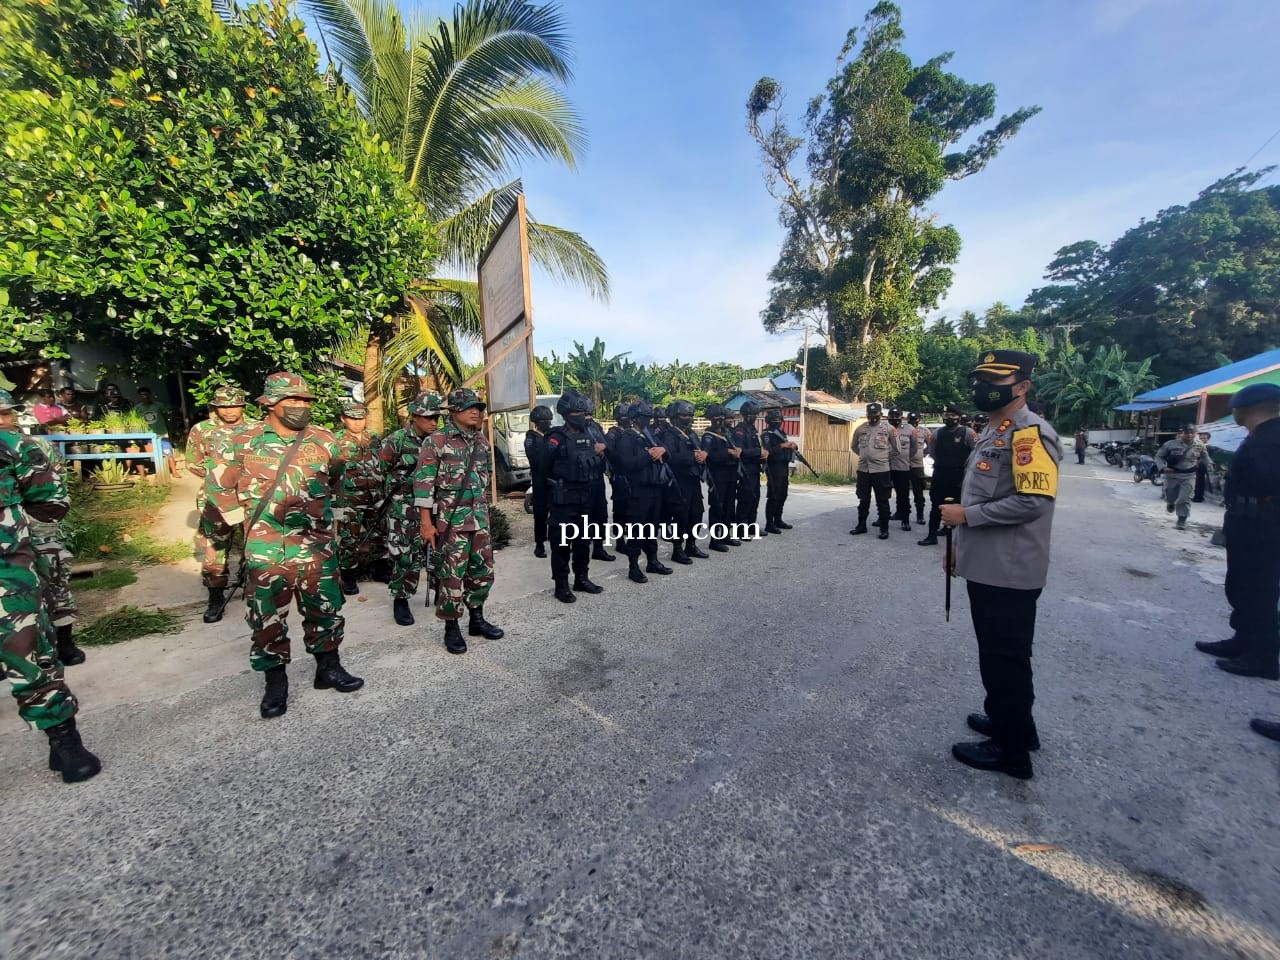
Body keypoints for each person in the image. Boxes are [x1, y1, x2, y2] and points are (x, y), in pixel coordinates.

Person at [208, 373, 362, 718]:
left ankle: (328, 668)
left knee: (325, 608)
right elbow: (218, 485)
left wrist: (332, 518)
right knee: (267, 619)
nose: (300, 406)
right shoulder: (242, 441)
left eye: (305, 401)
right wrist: (241, 522)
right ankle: (275, 684)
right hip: (266, 548)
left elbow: (337, 480)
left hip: (315, 545)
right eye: (292, 401)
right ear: (270, 404)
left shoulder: (324, 440)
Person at [943, 350, 1061, 780]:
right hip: (989, 562)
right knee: (999, 655)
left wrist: (965, 517)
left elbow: (1032, 501)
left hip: (1009, 569)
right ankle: (1015, 726)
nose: (982, 386)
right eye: (980, 378)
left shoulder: (1028, 434)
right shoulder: (996, 431)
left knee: (1005, 657)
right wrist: (958, 545)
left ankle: (1011, 753)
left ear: (1023, 386)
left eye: (995, 378)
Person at [0, 390, 101, 782]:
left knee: (26, 651)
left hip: (7, 574)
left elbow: (51, 504)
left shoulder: (16, 448)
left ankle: (63, 739)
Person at [1194, 382, 1280, 681]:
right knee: (1242, 585)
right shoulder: (1260, 436)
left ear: (1249, 408)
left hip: (1265, 526)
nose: (1234, 413)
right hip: (1248, 522)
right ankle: (1242, 641)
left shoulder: (1273, 439)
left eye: (1236, 408)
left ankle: (1263, 658)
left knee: (1260, 591)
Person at [415, 388, 504, 655]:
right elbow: (423, 485)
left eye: (478, 406)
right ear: (453, 411)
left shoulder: (482, 441)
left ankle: (477, 619)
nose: (476, 411)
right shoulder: (436, 441)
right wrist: (426, 523)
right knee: (451, 576)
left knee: (482, 571)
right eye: (468, 407)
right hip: (450, 523)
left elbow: (485, 477)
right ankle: (451, 628)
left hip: (479, 520)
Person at [185, 385, 252, 623]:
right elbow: (192, 463)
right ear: (216, 407)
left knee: (255, 547)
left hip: (250, 499)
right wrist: (218, 475)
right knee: (214, 550)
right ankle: (216, 597)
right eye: (224, 406)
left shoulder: (257, 430)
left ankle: (253, 592)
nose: (230, 410)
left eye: (234, 405)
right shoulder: (202, 430)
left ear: (243, 405)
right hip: (216, 500)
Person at [380, 392, 442, 626]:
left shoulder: (440, 440)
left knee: (438, 550)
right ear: (414, 416)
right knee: (405, 555)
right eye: (428, 417)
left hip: (434, 506)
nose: (433, 422)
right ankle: (401, 599)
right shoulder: (396, 440)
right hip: (403, 509)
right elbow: (380, 470)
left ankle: (439, 590)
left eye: (436, 417)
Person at [29, 436, 85, 667]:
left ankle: (63, 644)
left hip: (39, 528)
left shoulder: (35, 446)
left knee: (55, 583)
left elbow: (57, 487)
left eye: (6, 413)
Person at [544, 391, 605, 602]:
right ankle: (561, 585)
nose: (583, 416)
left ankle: (581, 578)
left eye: (585, 412)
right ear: (567, 414)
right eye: (578, 412)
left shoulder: (590, 436)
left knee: (582, 542)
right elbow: (543, 471)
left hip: (585, 499)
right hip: (562, 502)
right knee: (561, 545)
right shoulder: (555, 438)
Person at [615, 400, 673, 583]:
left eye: (647, 418)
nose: (645, 421)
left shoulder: (649, 435)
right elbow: (626, 464)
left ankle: (652, 561)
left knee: (652, 527)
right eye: (642, 418)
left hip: (655, 487)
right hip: (638, 490)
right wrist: (648, 455)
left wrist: (662, 449)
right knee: (637, 529)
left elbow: (667, 453)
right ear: (634, 419)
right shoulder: (627, 438)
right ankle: (633, 567)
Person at [334, 400, 384, 595]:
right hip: (349, 499)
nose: (357, 422)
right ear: (343, 419)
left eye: (361, 418)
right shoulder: (335, 440)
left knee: (380, 533)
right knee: (348, 538)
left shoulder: (373, 438)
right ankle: (348, 577)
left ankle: (380, 569)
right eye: (352, 418)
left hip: (375, 495)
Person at [918, 406, 973, 546]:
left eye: (952, 415)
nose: (949, 418)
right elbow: (932, 450)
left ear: (959, 417)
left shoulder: (967, 432)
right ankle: (932, 535)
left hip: (959, 475)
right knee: (936, 505)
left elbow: (974, 454)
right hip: (941, 473)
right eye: (947, 415)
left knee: (959, 506)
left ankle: (959, 540)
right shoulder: (937, 433)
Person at [663, 400, 709, 560]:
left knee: (696, 513)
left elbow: (700, 450)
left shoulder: (691, 433)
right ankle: (677, 549)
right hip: (678, 480)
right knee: (680, 515)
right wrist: (693, 456)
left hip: (693, 479)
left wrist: (704, 455)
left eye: (690, 415)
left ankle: (691, 545)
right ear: (675, 417)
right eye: (684, 415)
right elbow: (671, 456)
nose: (687, 418)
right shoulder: (669, 434)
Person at [850, 402, 895, 539]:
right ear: (867, 415)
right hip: (864, 470)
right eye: (870, 414)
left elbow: (896, 449)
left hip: (881, 470)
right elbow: (854, 447)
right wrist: (865, 456)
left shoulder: (889, 429)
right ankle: (861, 525)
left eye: (875, 414)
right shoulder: (860, 428)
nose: (873, 416)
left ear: (880, 414)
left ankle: (884, 529)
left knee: (882, 500)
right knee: (863, 500)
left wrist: (881, 458)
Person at [1156, 424, 1206, 531]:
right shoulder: (1170, 444)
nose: (1189, 435)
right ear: (1181, 433)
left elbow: (1205, 456)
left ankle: (1181, 520)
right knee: (1170, 496)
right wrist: (1162, 467)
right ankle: (1170, 503)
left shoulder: (1199, 445)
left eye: (1192, 432)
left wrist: (1210, 464)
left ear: (1196, 433)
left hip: (1189, 475)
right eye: (1186, 432)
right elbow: (1159, 456)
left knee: (1185, 498)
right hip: (1172, 474)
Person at [584, 409, 616, 563]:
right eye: (585, 415)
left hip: (597, 478)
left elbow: (607, 447)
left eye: (590, 415)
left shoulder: (595, 428)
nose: (588, 418)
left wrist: (604, 449)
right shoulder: (569, 433)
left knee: (600, 514)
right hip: (582, 481)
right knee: (583, 517)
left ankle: (598, 548)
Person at [731, 401, 766, 535]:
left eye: (755, 415)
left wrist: (761, 455)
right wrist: (758, 452)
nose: (754, 417)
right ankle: (741, 529)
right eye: (752, 415)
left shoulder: (752, 430)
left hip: (755, 469)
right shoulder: (740, 430)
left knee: (755, 498)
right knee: (745, 499)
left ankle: (752, 525)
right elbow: (740, 451)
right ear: (745, 415)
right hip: (745, 470)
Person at [524, 405, 554, 558]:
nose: (547, 423)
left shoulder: (551, 436)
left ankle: (556, 540)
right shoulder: (531, 438)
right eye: (544, 421)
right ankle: (540, 544)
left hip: (553, 481)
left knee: (556, 513)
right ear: (536, 422)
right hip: (539, 480)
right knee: (540, 513)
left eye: (549, 420)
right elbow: (534, 459)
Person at [761, 407, 796, 534]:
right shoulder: (766, 434)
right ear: (769, 421)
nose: (778, 421)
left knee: (783, 494)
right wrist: (782, 445)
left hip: (783, 467)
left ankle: (778, 519)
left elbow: (785, 449)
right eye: (775, 419)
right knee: (773, 496)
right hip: (773, 468)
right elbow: (768, 450)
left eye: (779, 419)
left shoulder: (782, 434)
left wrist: (791, 446)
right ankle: (769, 523)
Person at [604, 404, 632, 557]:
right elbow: (610, 453)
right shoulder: (613, 434)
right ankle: (620, 542)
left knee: (631, 509)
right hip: (619, 476)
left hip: (632, 476)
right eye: (623, 417)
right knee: (620, 510)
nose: (626, 420)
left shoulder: (631, 433)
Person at [906, 411, 928, 526]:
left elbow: (931, 444)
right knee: (903, 492)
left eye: (915, 419)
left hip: (917, 465)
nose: (913, 422)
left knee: (918, 493)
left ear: (919, 420)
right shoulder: (903, 430)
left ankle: (920, 515)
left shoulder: (924, 431)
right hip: (903, 465)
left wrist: (923, 453)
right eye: (911, 420)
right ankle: (903, 514)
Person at [1193, 431, 1211, 502]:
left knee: (1200, 482)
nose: (1202, 439)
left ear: (1208, 439)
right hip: (1194, 467)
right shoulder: (1196, 446)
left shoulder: (1209, 447)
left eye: (1204, 438)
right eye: (1201, 438)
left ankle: (1198, 496)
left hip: (1202, 468)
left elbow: (1206, 458)